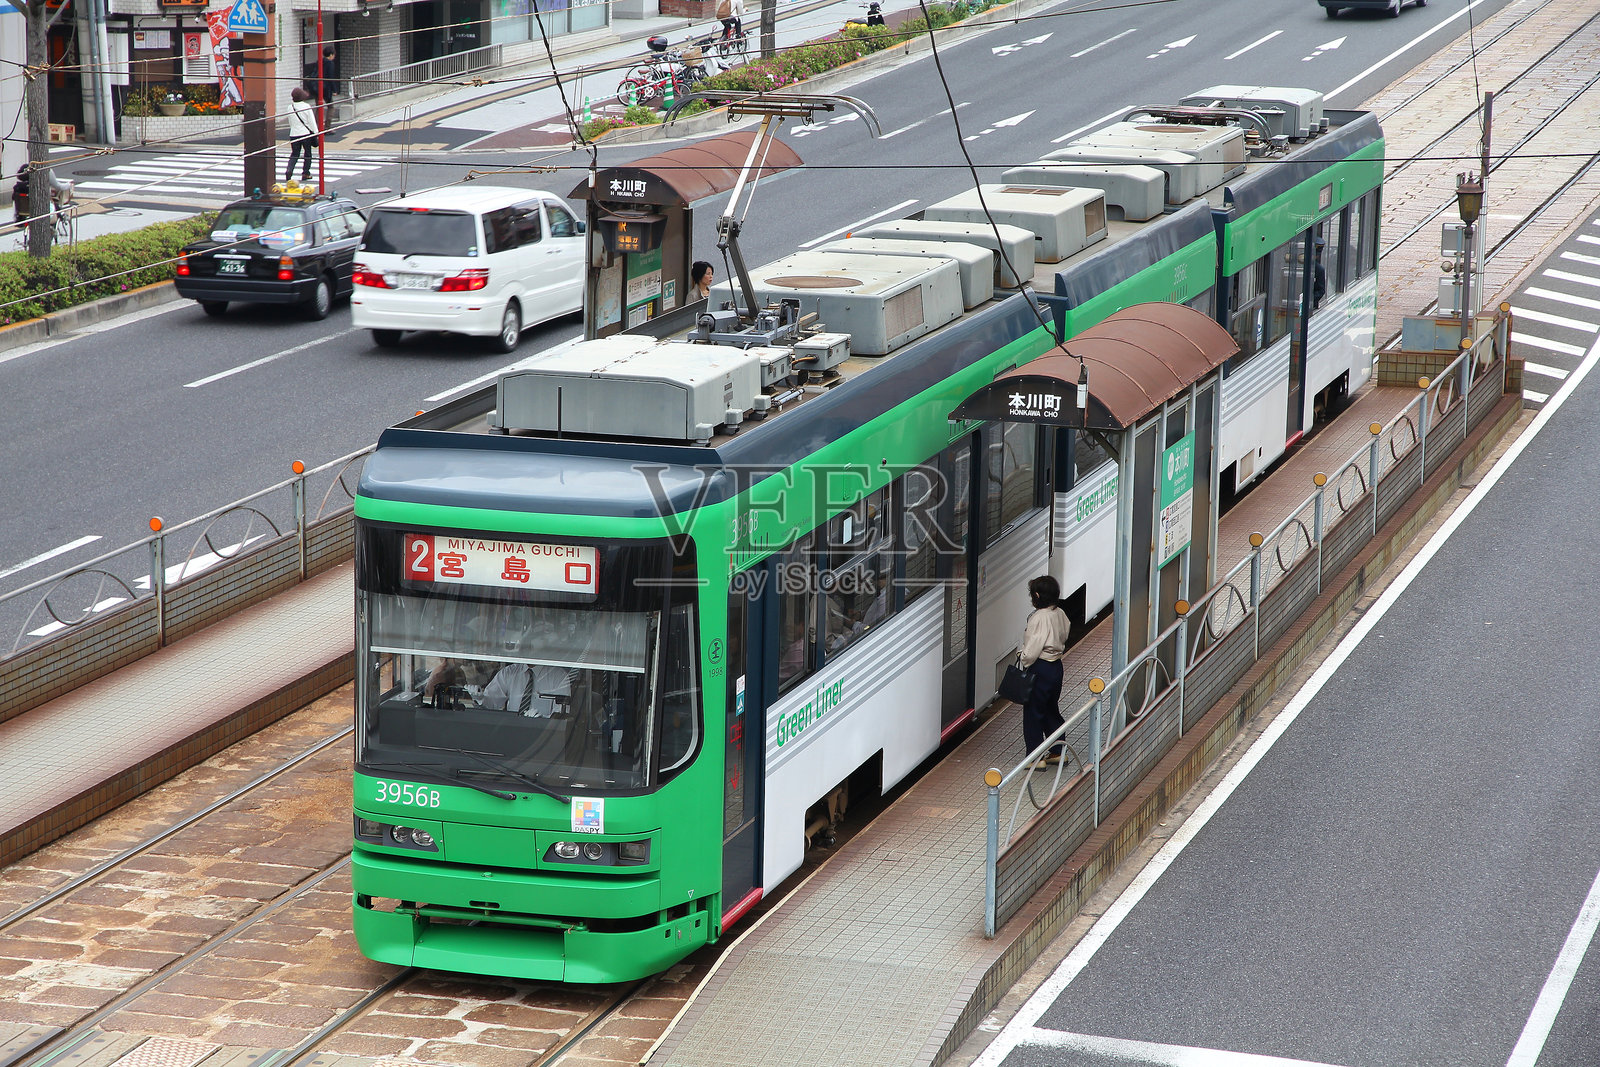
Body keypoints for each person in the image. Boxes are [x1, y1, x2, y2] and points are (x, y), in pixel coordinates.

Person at [1018, 574, 1069, 770]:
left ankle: (1035, 756)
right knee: (1050, 708)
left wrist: (1022, 656)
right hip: (1056, 667)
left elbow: (1031, 651)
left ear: (1037, 595)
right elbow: (1064, 634)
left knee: (1033, 712)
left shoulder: (1039, 618)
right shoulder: (1060, 613)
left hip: (1040, 668)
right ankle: (1058, 751)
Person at [481, 660, 573, 717]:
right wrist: (481, 699)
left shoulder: (559, 676)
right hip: (510, 730)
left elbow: (561, 715)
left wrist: (542, 720)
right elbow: (490, 705)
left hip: (543, 736)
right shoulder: (510, 672)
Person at [284, 87, 319, 183]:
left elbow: (290, 122)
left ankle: (289, 170)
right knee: (307, 153)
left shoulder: (290, 107)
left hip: (294, 134)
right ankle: (305, 173)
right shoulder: (306, 106)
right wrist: (316, 133)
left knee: (295, 154)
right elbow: (312, 122)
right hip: (305, 134)